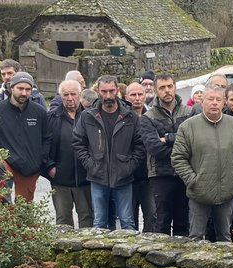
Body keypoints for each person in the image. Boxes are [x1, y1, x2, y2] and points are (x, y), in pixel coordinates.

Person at [171, 85, 233, 242]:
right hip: (199, 193)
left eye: (218, 99)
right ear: (202, 102)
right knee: (196, 237)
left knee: (225, 238)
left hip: (227, 192)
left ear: (224, 103)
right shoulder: (188, 127)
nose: (214, 103)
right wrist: (193, 180)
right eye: (210, 99)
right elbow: (178, 158)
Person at [73, 75, 143, 230]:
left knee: (127, 221)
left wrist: (129, 166)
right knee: (99, 222)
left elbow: (140, 145)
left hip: (123, 177)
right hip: (98, 176)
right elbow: (78, 143)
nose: (108, 96)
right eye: (104, 91)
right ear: (98, 91)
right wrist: (91, 165)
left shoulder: (130, 115)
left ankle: (128, 254)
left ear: (117, 90)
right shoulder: (88, 116)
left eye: (111, 91)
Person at [0, 71, 50, 204]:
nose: (24, 93)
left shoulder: (39, 112)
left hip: (30, 165)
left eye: (28, 89)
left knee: (24, 209)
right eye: (20, 88)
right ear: (11, 88)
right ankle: (1, 211)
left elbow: (47, 138)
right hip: (5, 162)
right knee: (0, 201)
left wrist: (41, 159)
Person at [143, 73, 193, 235]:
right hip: (160, 174)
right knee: (162, 220)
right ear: (156, 91)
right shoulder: (148, 118)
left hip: (184, 174)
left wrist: (169, 138)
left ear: (175, 87)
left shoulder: (189, 113)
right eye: (162, 88)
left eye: (170, 86)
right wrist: (181, 147)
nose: (167, 91)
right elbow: (155, 148)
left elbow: (193, 141)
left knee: (183, 219)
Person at [45, 79, 92, 228]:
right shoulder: (51, 118)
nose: (70, 98)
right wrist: (49, 167)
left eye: (73, 94)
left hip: (86, 179)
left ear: (80, 95)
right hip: (60, 179)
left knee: (87, 218)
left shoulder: (89, 117)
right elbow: (43, 146)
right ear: (60, 96)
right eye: (66, 95)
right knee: (63, 221)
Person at [123, 82, 155, 229]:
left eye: (140, 94)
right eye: (133, 95)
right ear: (126, 97)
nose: (137, 98)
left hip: (148, 175)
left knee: (152, 214)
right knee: (129, 216)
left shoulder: (152, 116)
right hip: (127, 176)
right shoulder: (121, 118)